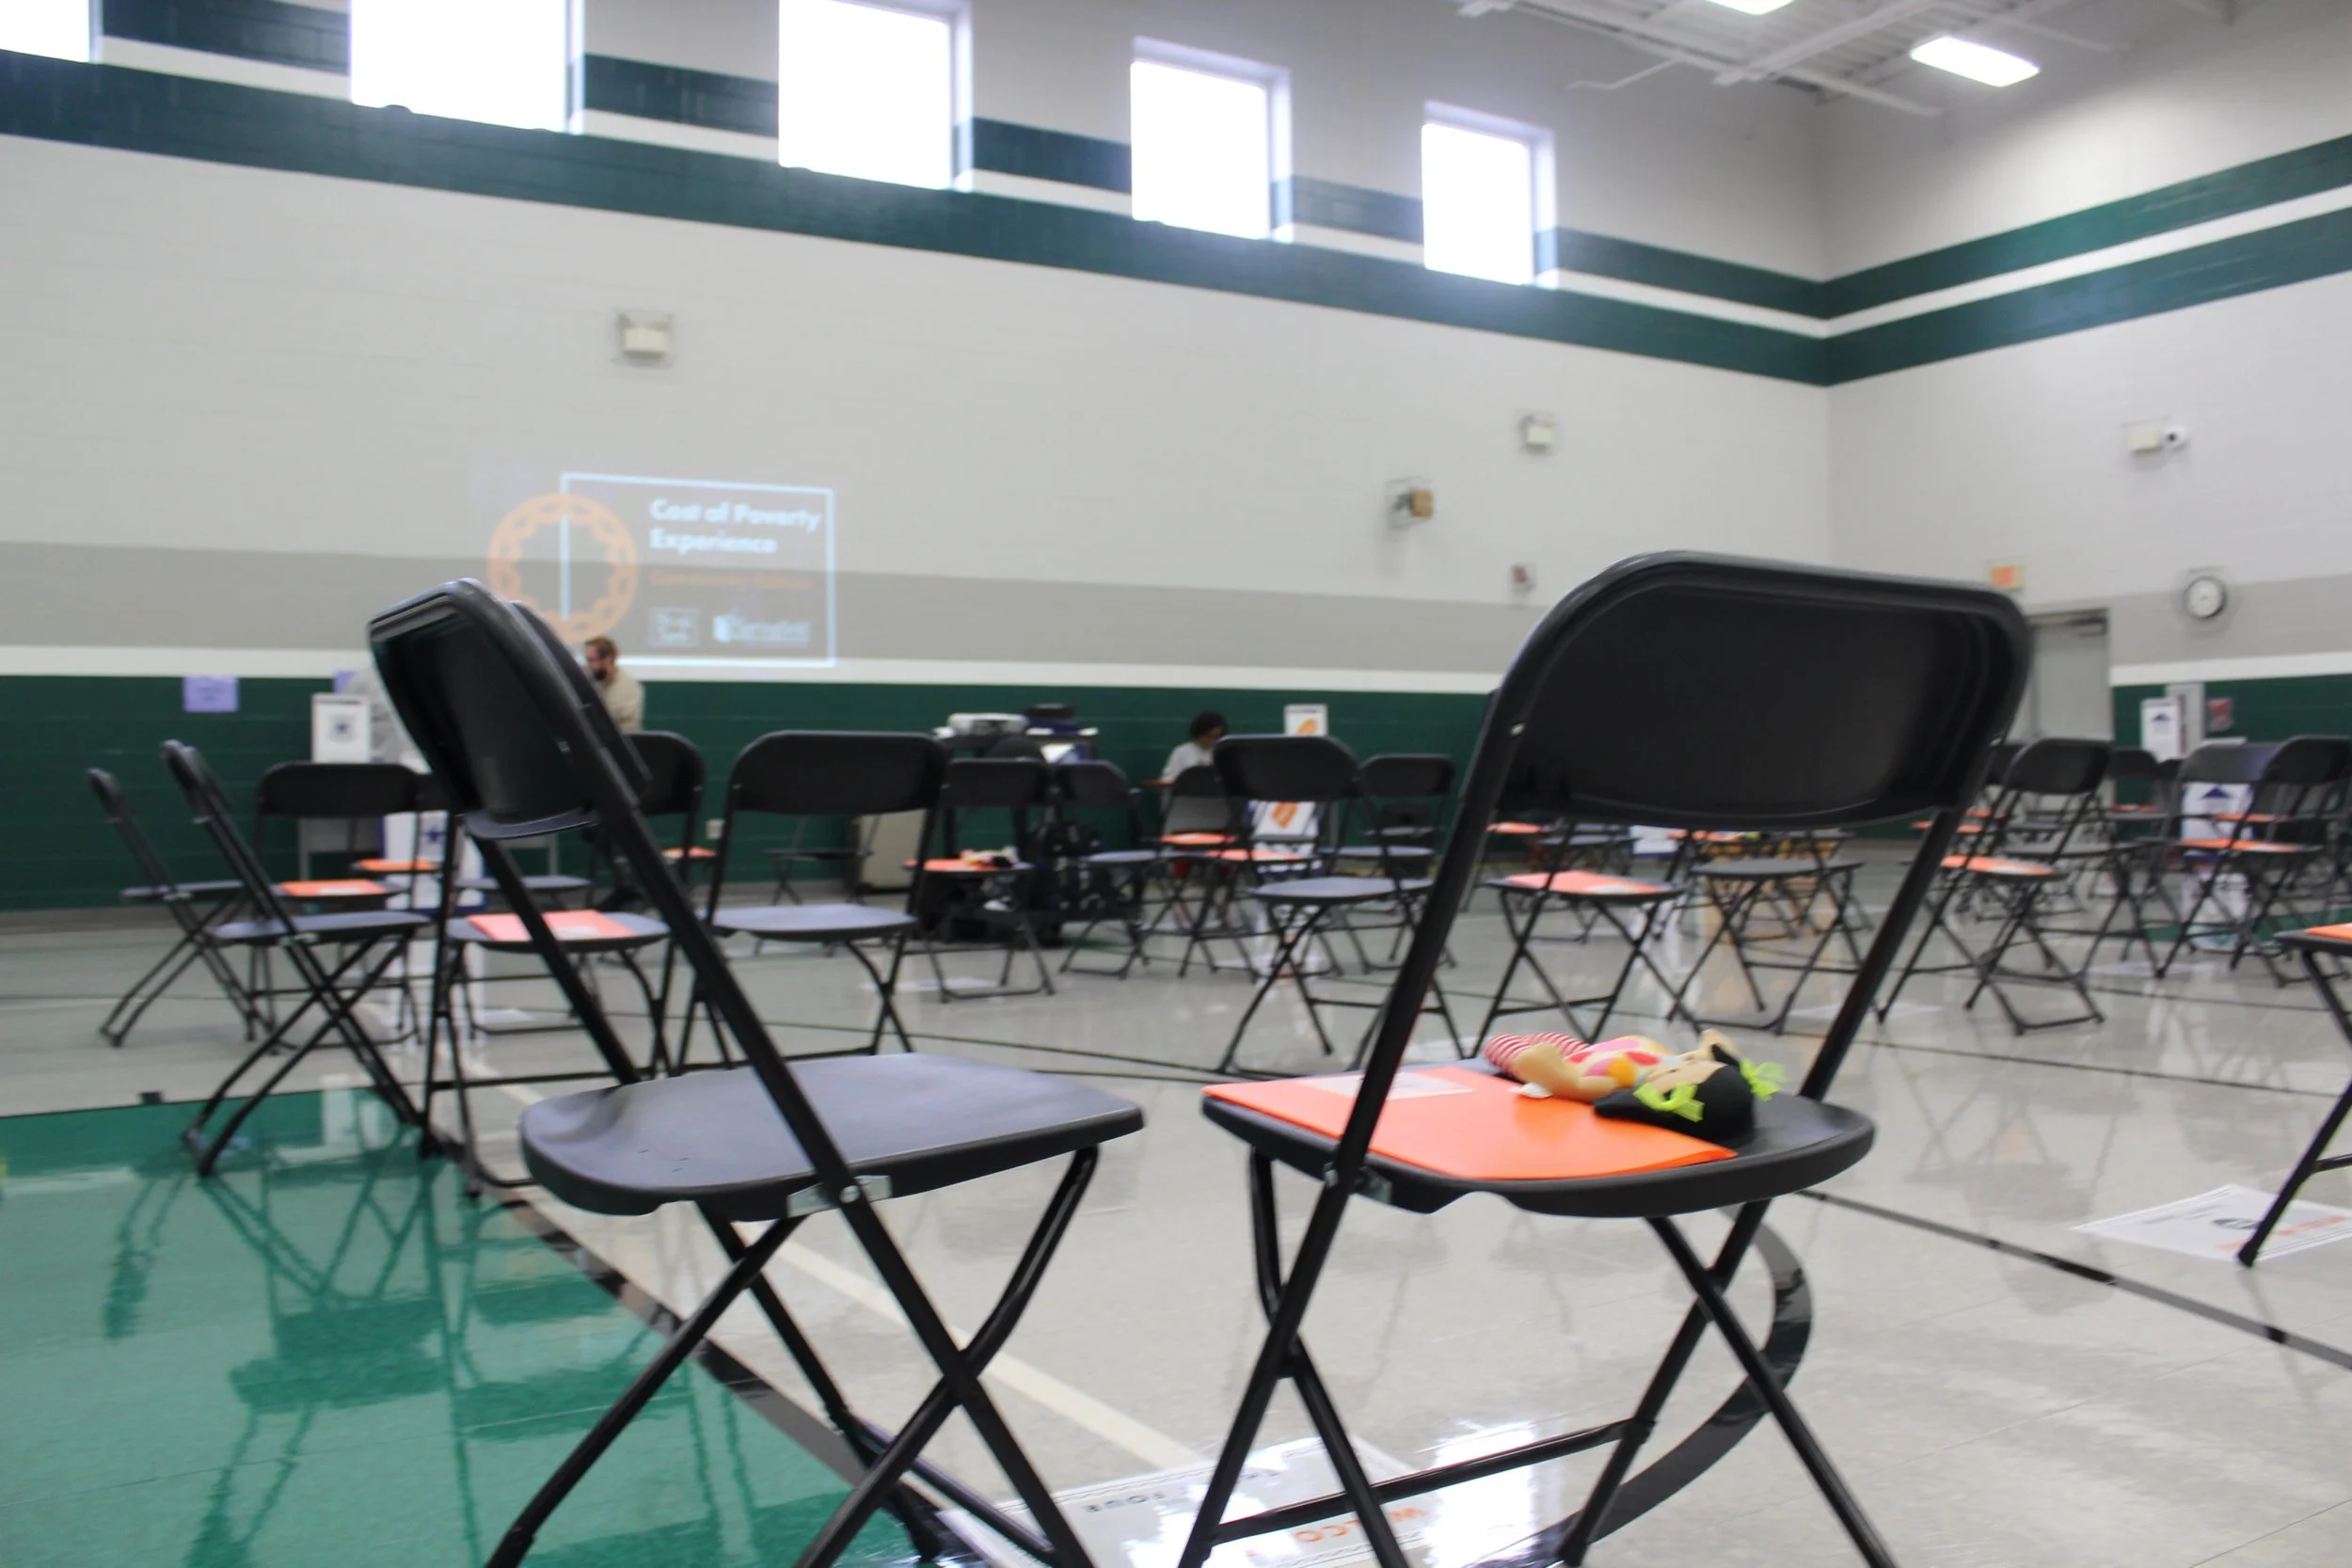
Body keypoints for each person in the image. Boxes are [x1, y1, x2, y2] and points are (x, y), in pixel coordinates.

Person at [582, 637, 644, 733]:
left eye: (591, 660)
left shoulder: (627, 686)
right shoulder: (593, 681)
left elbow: (607, 717)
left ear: (608, 659)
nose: (588, 666)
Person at [1162, 710, 1227, 781]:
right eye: (1209, 736)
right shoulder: (1181, 751)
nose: (1213, 740)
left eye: (1216, 737)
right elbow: (1168, 779)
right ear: (1199, 733)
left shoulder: (1222, 752)